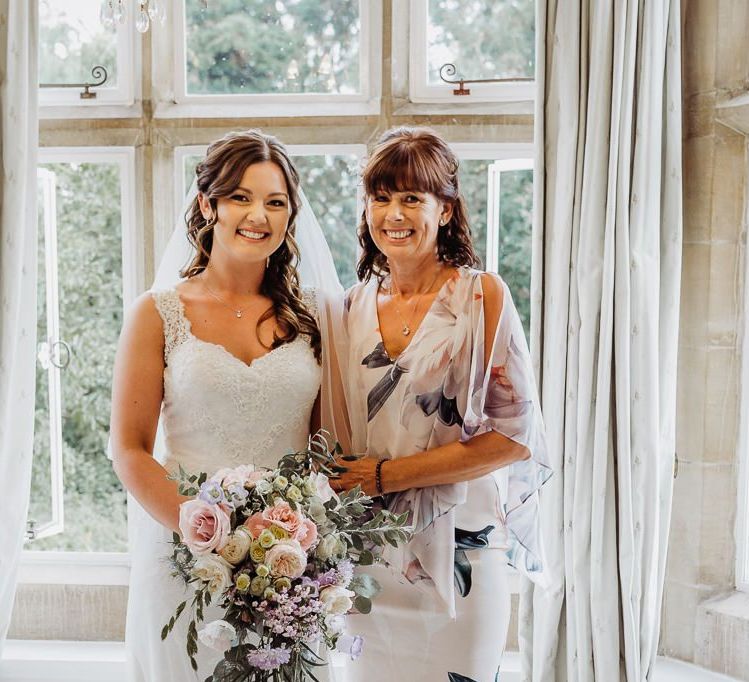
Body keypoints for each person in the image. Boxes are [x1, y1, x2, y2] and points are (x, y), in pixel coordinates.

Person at [327, 127, 552, 682]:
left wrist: (388, 476)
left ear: (445, 210)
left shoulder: (481, 297)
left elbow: (513, 438)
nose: (394, 214)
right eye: (381, 198)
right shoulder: (349, 306)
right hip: (368, 559)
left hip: (463, 550)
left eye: (412, 198)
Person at [109, 130, 326, 680]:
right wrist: (202, 530)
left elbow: (330, 447)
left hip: (291, 568)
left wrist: (297, 545)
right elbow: (129, 449)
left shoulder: (315, 317)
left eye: (276, 202)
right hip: (188, 559)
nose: (259, 215)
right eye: (241, 197)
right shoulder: (157, 313)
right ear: (208, 205)